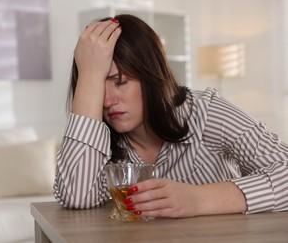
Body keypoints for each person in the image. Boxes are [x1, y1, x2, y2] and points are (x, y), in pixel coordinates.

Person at [53, 14, 288, 218]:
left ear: (151, 76)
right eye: (95, 89)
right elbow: (76, 196)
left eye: (120, 82)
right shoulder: (100, 145)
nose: (106, 101)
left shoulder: (206, 112)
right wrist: (89, 74)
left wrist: (197, 200)